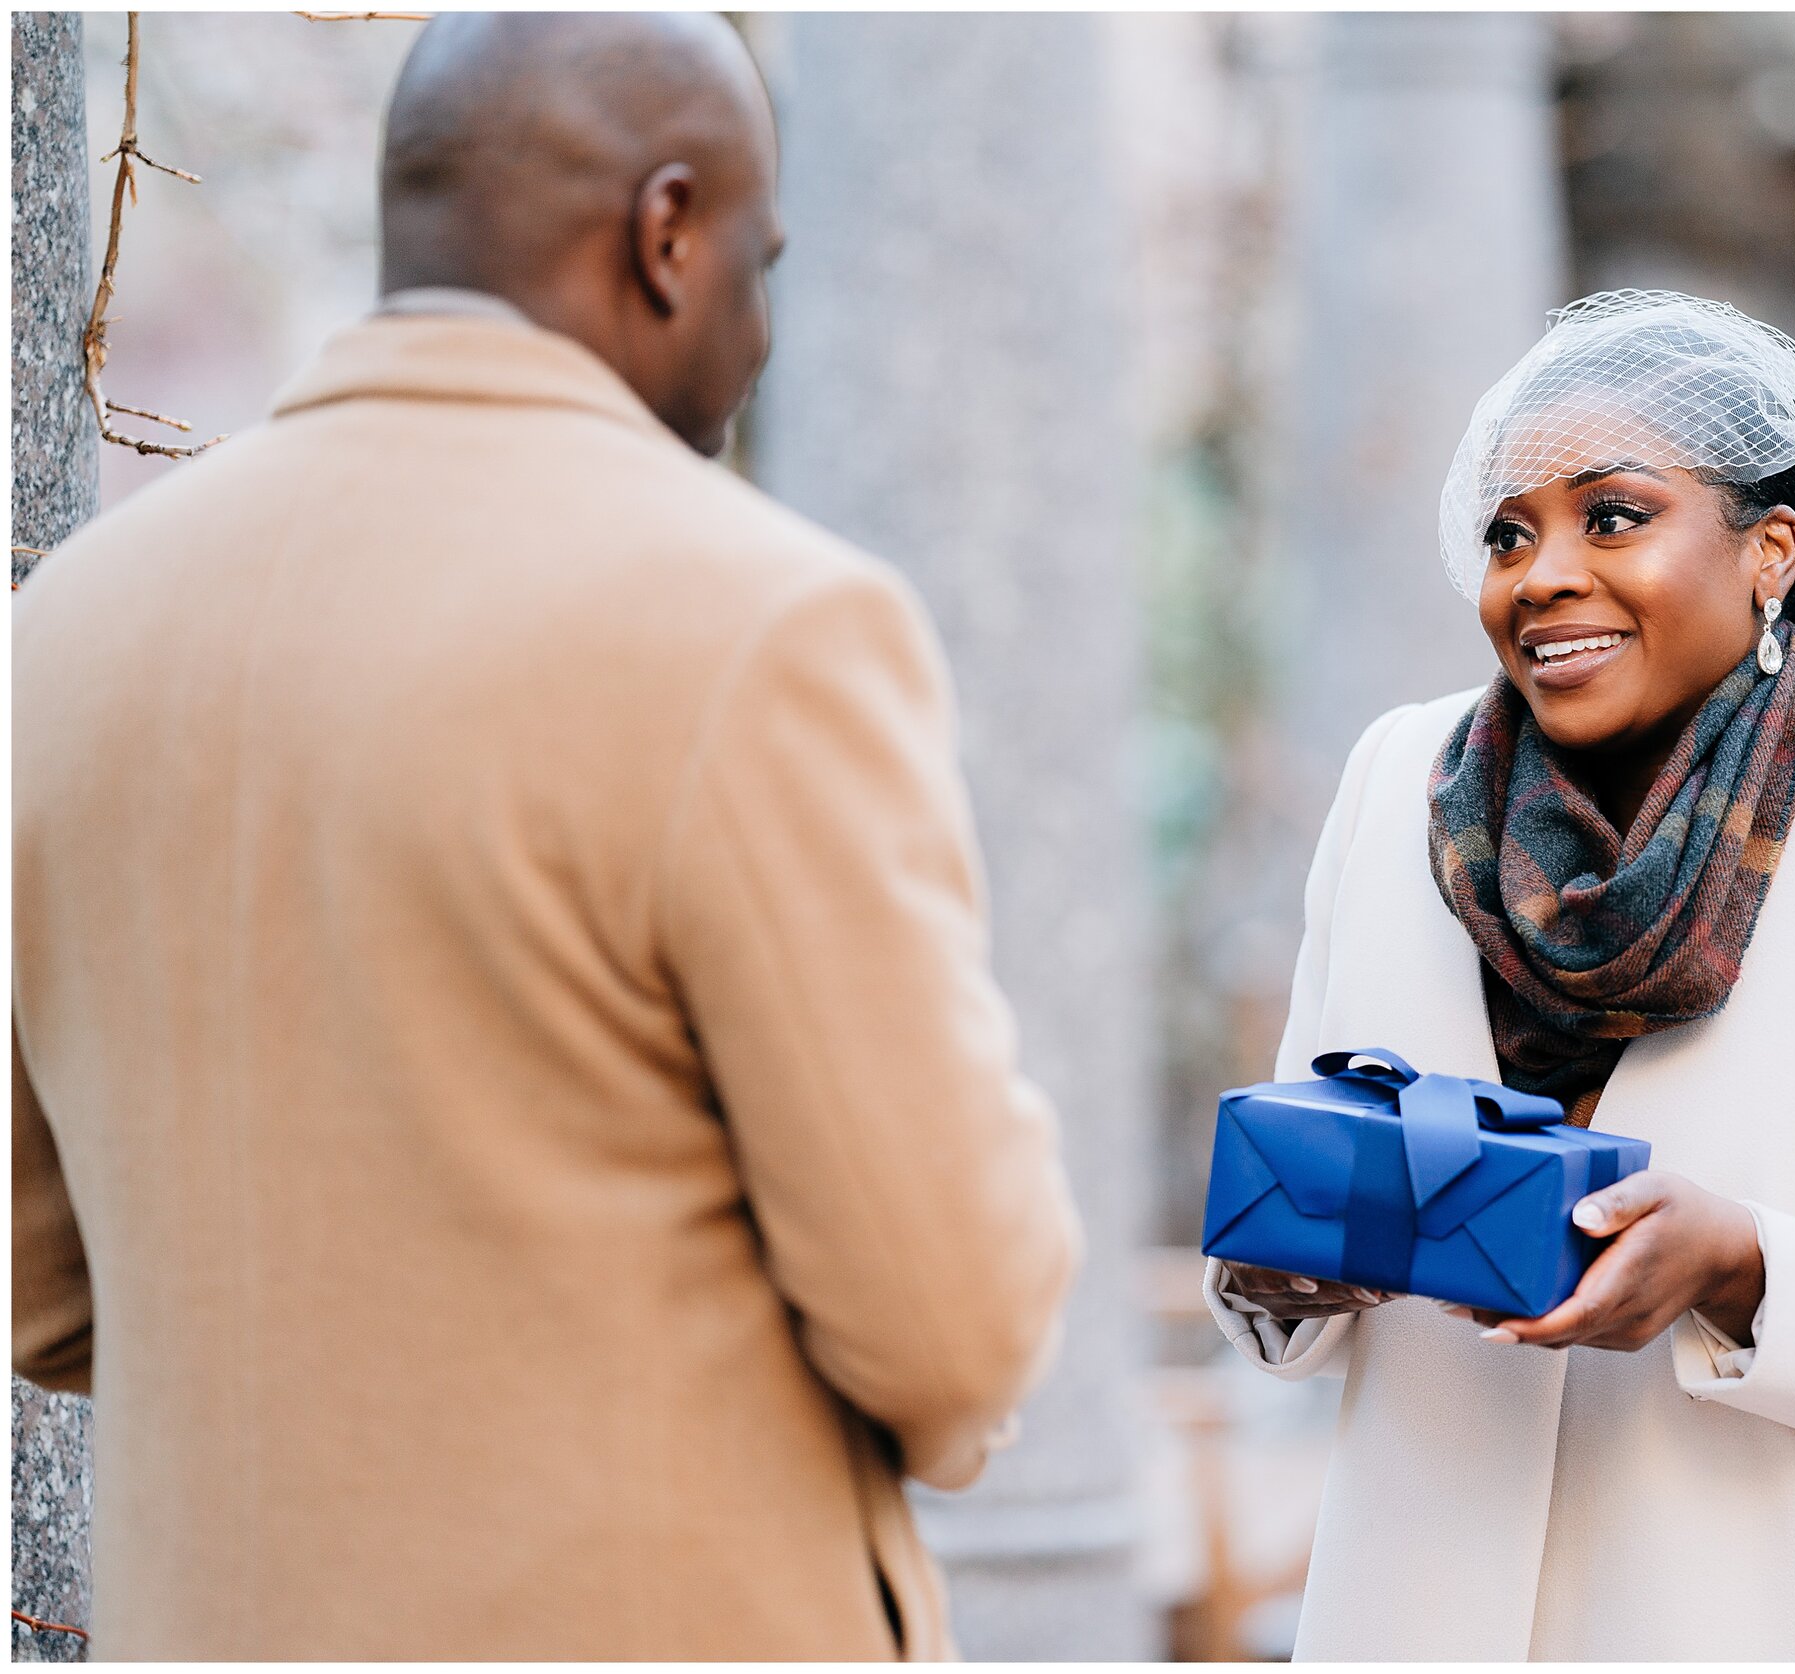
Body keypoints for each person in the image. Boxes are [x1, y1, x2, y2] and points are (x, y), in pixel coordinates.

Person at [13, 14, 1078, 1660]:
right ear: (665, 232)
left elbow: (43, 1281)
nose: (761, 330)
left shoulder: (66, 635)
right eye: (756, 261)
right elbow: (948, 1323)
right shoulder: (763, 623)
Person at [1206, 290, 1795, 1659]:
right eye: (1509, 532)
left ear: (1770, 551)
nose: (1545, 573)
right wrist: (1290, 1266)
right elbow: (1297, 1258)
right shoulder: (1399, 784)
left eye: (1614, 516)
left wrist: (1747, 1271)